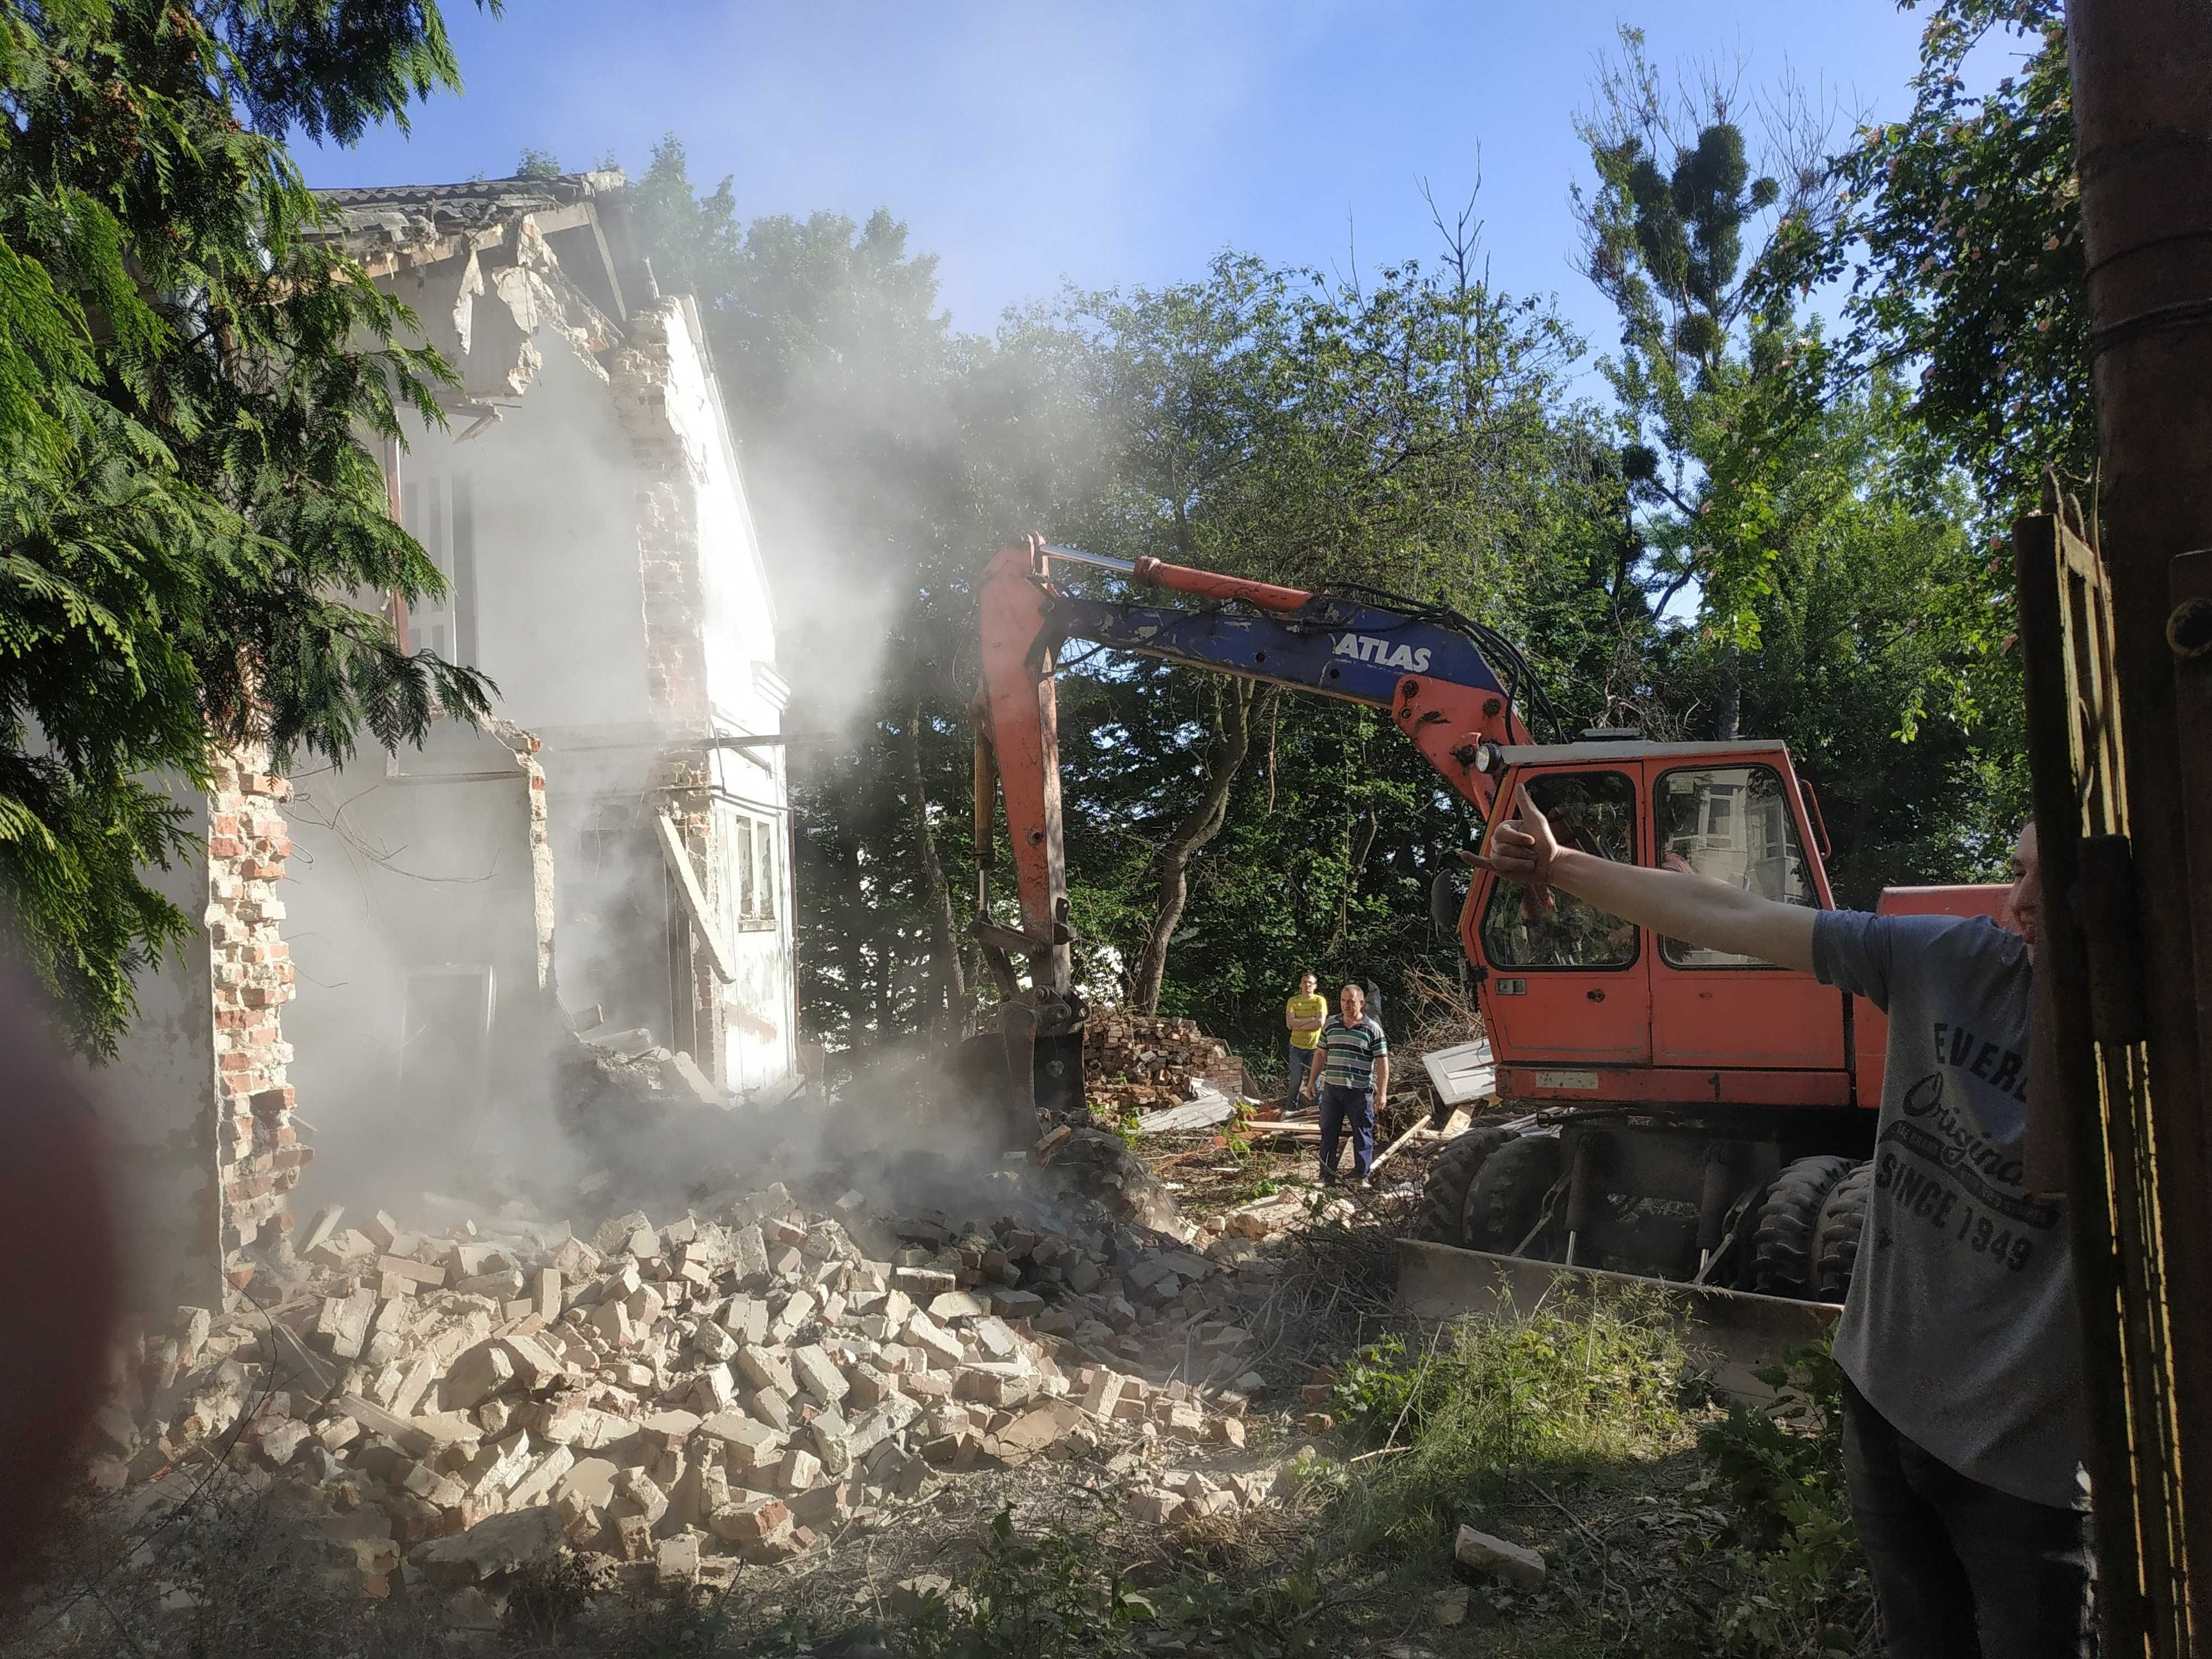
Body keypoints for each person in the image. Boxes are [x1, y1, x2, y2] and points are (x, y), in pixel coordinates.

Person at [1471, 789, 2088, 1659]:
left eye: (2048, 880)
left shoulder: (2157, 1051)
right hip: (1883, 1405)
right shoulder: (1951, 963)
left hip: (2028, 1470)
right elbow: (1733, 913)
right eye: (2015, 871)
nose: (2016, 902)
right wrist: (1561, 865)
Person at [1300, 982, 1389, 1186]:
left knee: (1362, 1133)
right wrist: (1312, 1081)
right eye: (1343, 1001)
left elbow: (1383, 1063)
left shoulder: (1372, 1030)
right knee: (1329, 1132)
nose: (1346, 1006)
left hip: (1359, 1091)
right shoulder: (1331, 1025)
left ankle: (1361, 1176)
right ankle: (1326, 1176)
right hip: (1332, 1090)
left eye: (1351, 1002)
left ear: (1362, 1003)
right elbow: (1321, 1053)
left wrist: (1382, 1093)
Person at [1282, 972, 1327, 1115]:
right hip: (1296, 1047)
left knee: (1315, 1082)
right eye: (1305, 982)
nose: (1307, 985)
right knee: (1296, 1081)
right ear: (1300, 984)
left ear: (1315, 986)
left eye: (1311, 982)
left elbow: (1320, 1023)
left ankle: (1318, 1112)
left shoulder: (1320, 1000)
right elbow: (1290, 1023)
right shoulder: (1293, 1001)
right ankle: (1290, 1112)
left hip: (1315, 1049)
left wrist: (1299, 1024)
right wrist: (1311, 1019)